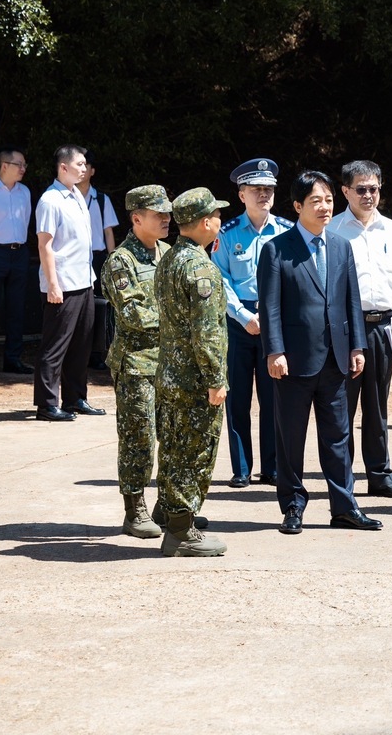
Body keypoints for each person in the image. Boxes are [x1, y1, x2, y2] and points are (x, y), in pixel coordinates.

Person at [258, 169, 380, 535]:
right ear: (297, 206)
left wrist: (356, 345)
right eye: (316, 201)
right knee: (291, 438)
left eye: (328, 200)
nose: (325, 207)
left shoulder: (342, 246)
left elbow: (351, 300)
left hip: (336, 358)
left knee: (339, 437)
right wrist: (274, 350)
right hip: (294, 361)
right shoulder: (277, 249)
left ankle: (344, 507)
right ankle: (293, 505)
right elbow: (271, 307)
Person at [328, 159, 392, 499]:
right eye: (361, 189)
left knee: (378, 406)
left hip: (384, 327)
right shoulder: (334, 230)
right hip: (347, 331)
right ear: (346, 191)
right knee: (343, 408)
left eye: (374, 189)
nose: (368, 196)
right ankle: (343, 479)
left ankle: (380, 475)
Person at [153, 187, 230, 557]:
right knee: (193, 451)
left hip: (169, 373)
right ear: (203, 222)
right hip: (194, 379)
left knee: (171, 448)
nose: (219, 220)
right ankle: (181, 533)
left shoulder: (168, 258)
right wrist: (216, 379)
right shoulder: (200, 267)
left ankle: (171, 516)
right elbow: (207, 332)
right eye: (216, 215)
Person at [214, 158, 292, 488]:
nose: (264, 195)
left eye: (269, 189)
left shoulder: (288, 231)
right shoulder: (227, 235)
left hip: (278, 321)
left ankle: (272, 468)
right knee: (239, 399)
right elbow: (220, 279)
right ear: (241, 194)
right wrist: (244, 316)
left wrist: (273, 315)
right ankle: (242, 468)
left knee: (275, 398)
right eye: (256, 189)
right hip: (239, 322)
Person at [103, 185, 172, 539]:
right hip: (135, 365)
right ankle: (135, 510)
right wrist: (178, 316)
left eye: (167, 213)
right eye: (158, 214)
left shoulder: (169, 253)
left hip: (169, 362)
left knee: (172, 436)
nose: (166, 219)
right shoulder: (121, 261)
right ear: (136, 219)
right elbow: (133, 314)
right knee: (139, 438)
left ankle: (168, 508)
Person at [33, 144, 104, 422]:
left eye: (85, 164)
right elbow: (45, 245)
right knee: (54, 345)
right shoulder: (50, 200)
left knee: (82, 344)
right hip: (62, 284)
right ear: (63, 167)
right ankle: (46, 404)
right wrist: (52, 284)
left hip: (84, 281)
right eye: (79, 164)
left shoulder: (76, 195)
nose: (84, 169)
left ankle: (75, 398)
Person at [0, 145, 33, 375]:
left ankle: (12, 359)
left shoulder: (24, 192)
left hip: (19, 252)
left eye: (25, 165)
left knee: (17, 308)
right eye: (19, 164)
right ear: (4, 166)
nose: (24, 168)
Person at [78, 150, 118, 371]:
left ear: (92, 171)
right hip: (76, 258)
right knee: (78, 306)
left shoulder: (102, 199)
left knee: (101, 308)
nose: (83, 170)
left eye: (87, 166)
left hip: (99, 256)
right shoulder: (66, 197)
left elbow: (108, 232)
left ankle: (96, 354)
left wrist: (112, 261)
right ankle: (77, 352)